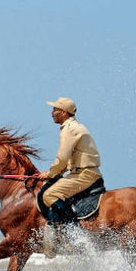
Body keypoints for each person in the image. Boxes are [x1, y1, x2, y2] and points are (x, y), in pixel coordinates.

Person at [38, 97, 104, 257]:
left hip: (85, 174)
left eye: (54, 110)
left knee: (49, 194)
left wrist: (50, 173)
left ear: (63, 112)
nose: (52, 113)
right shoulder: (71, 127)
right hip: (78, 172)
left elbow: (62, 157)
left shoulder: (70, 129)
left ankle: (73, 232)